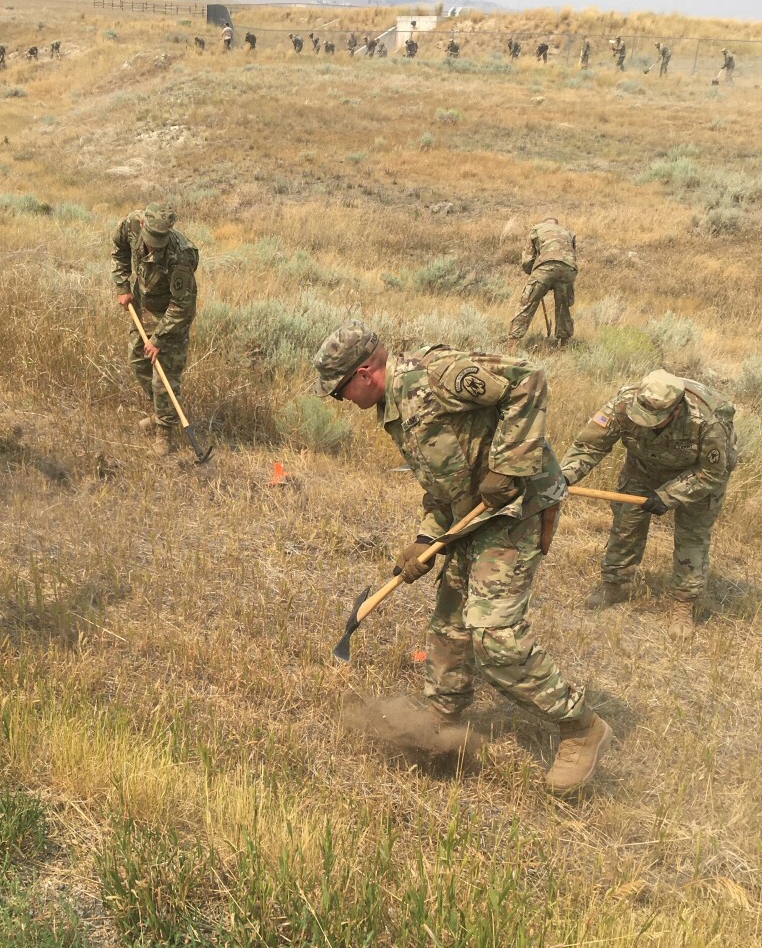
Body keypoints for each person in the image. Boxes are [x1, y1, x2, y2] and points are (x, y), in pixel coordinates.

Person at [312, 322, 611, 793]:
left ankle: (580, 726)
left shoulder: (434, 377)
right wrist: (425, 536)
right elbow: (446, 481)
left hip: (517, 508)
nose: (341, 401)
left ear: (364, 373)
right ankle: (442, 713)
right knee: (450, 620)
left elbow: (529, 376)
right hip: (474, 517)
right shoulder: (394, 410)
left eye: (339, 391)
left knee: (494, 636)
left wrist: (509, 465)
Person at [558, 371, 736, 636]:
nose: (646, 423)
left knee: (692, 538)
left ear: (675, 410)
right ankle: (615, 585)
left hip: (697, 477)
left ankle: (683, 604)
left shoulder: (707, 421)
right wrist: (563, 476)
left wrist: (667, 496)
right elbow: (589, 446)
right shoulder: (624, 403)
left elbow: (712, 473)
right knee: (625, 525)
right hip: (641, 469)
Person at [111, 204, 199, 456]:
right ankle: (162, 411)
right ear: (142, 225)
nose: (154, 246)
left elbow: (183, 306)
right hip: (142, 305)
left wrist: (159, 339)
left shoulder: (181, 256)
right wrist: (122, 285)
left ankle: (164, 434)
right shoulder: (130, 224)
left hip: (171, 317)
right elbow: (118, 251)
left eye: (160, 241)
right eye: (151, 239)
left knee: (164, 379)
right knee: (138, 361)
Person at [507, 215, 577, 346]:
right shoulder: (568, 232)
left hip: (545, 268)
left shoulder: (537, 229)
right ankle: (564, 343)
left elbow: (527, 259)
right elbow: (571, 255)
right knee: (563, 306)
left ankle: (512, 342)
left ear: (544, 223)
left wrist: (531, 272)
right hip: (568, 269)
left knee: (527, 303)